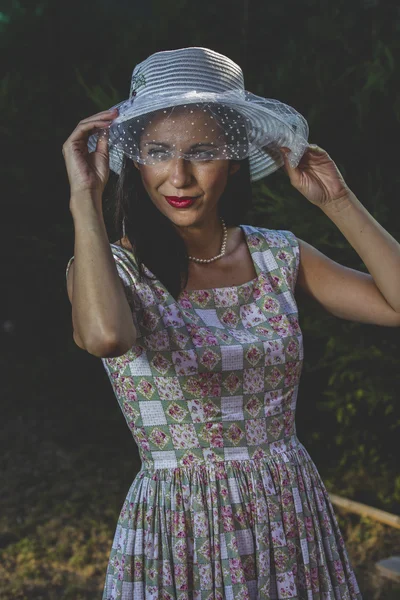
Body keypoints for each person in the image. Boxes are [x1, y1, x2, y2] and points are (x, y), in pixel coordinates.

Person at [63, 47, 399, 600]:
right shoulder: (111, 268)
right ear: (134, 160)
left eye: (202, 151)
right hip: (180, 526)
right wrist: (85, 198)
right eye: (158, 152)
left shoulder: (278, 256)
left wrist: (337, 201)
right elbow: (105, 337)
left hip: (289, 514)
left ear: (235, 158)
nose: (179, 174)